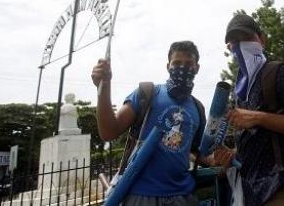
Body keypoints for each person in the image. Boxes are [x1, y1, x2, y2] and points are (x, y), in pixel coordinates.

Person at [91, 41, 227, 206]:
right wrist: (103, 87)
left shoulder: (198, 108)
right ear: (168, 66)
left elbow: (199, 153)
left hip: (183, 197)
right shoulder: (147, 93)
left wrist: (221, 158)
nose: (182, 68)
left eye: (188, 64)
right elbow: (109, 132)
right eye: (177, 63)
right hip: (141, 196)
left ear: (197, 68)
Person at [222, 14, 284, 206]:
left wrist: (259, 117)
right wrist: (231, 155)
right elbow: (255, 139)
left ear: (262, 39)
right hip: (251, 191)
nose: (241, 46)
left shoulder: (278, 72)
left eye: (247, 38)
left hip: (283, 189)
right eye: (235, 42)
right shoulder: (239, 91)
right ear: (229, 48)